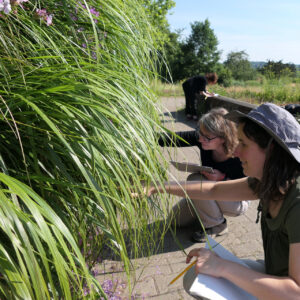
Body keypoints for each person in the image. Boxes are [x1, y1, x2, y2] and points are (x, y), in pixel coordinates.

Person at [148, 103, 300, 299]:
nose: (236, 152)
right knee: (198, 274)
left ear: (271, 149)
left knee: (210, 274)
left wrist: (222, 266)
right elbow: (213, 190)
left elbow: (295, 292)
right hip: (275, 272)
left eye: (243, 144)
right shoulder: (268, 180)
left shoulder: (297, 200)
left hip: (287, 290)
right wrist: (156, 187)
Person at [158, 107, 248, 242]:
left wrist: (222, 178)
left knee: (195, 180)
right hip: (209, 192)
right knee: (174, 220)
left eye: (206, 137)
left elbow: (247, 187)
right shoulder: (204, 138)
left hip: (236, 200)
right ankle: (205, 211)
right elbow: (173, 138)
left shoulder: (240, 153)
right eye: (200, 133)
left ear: (223, 137)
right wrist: (144, 136)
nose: (200, 139)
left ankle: (217, 225)